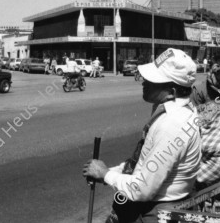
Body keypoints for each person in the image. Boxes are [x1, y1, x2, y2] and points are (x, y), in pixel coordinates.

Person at [82, 48, 200, 223]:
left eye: (153, 80)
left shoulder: (172, 124)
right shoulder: (172, 111)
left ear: (172, 92)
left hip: (156, 211)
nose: (144, 82)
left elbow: (143, 188)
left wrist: (105, 174)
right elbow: (144, 161)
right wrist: (112, 171)